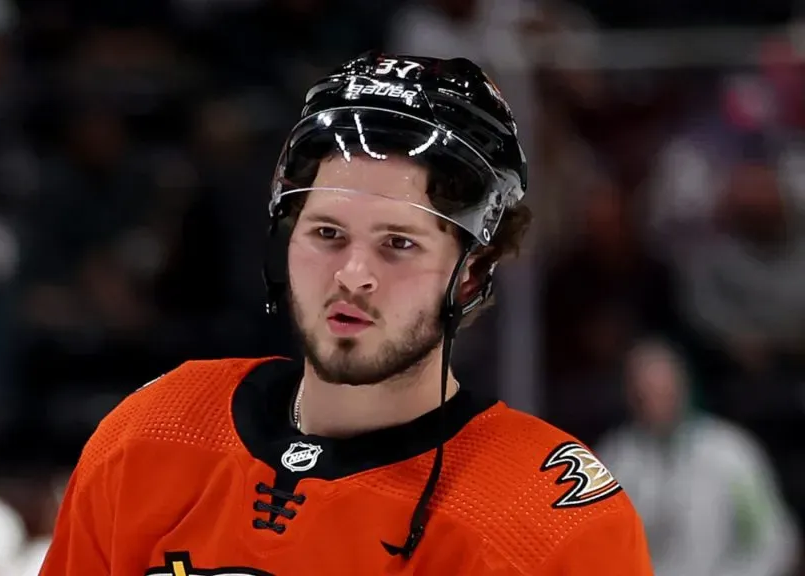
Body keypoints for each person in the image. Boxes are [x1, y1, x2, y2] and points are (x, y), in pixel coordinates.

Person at [40, 52, 652, 574]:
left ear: (472, 271)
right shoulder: (151, 435)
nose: (353, 274)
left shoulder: (543, 519)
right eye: (328, 233)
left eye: (398, 243)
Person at [596, 338, 799, 576]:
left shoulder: (729, 452)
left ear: (684, 383)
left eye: (661, 385)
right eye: (642, 388)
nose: (652, 397)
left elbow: (774, 540)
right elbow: (596, 545)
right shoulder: (614, 459)